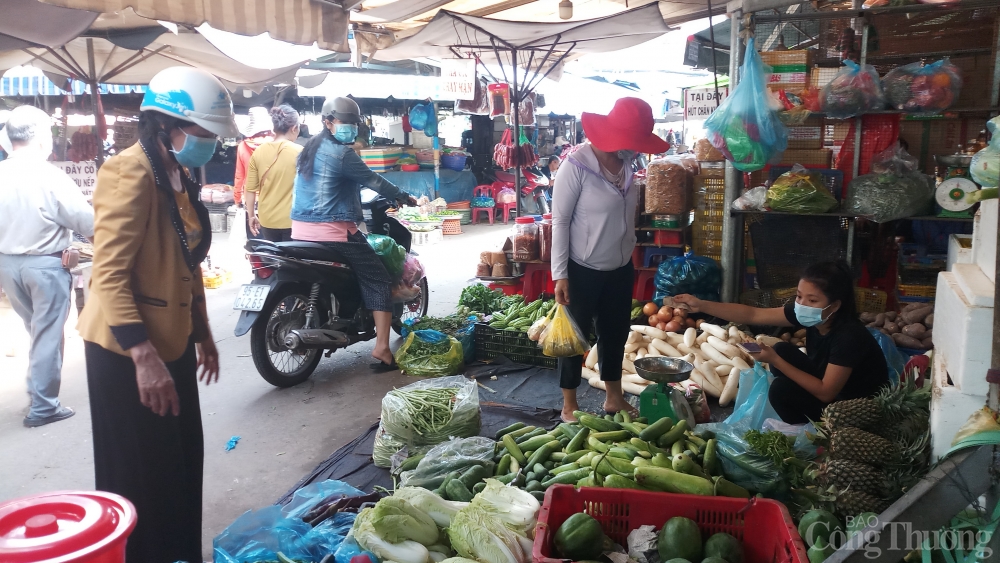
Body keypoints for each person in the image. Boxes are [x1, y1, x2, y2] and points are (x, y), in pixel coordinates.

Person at [77, 66, 231, 563]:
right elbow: (110, 273)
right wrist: (143, 356)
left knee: (181, 461)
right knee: (141, 474)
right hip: (128, 354)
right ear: (170, 126)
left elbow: (185, 263)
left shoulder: (179, 174)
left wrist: (203, 333)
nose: (211, 143)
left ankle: (179, 552)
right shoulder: (129, 171)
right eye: (206, 133)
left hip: (174, 341)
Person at [551, 97, 670, 422]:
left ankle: (613, 398)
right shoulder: (576, 167)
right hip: (581, 268)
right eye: (635, 141)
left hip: (619, 267)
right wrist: (560, 274)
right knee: (574, 338)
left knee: (615, 332)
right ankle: (569, 405)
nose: (637, 149)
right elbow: (559, 222)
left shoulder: (626, 165)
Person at [674, 261, 890, 424]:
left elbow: (827, 392)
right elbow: (752, 315)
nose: (802, 304)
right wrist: (700, 304)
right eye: (799, 296)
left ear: (834, 306)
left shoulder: (849, 336)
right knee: (783, 350)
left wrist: (774, 359)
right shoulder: (815, 315)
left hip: (855, 409)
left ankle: (814, 432)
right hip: (832, 389)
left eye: (812, 300)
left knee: (780, 389)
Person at [291, 96, 415, 369]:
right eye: (343, 122)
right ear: (327, 123)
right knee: (378, 278)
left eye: (352, 123)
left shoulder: (308, 149)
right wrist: (404, 196)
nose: (349, 127)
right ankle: (382, 348)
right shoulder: (342, 154)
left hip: (299, 231)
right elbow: (374, 180)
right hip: (334, 231)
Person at [0, 105, 94, 427]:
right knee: (47, 335)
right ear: (42, 137)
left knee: (36, 331)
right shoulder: (49, 175)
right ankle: (43, 407)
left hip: (8, 267)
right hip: (44, 266)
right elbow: (85, 220)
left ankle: (37, 391)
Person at [245, 105, 302, 242]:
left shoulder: (258, 152)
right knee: (293, 262)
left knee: (274, 260)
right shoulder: (301, 152)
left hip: (267, 220)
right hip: (294, 221)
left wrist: (251, 215)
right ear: (294, 128)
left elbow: (250, 189)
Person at [234, 106, 274, 238]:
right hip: (272, 197)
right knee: (274, 239)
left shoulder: (242, 146)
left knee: (255, 237)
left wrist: (237, 199)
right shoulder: (276, 145)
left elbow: (240, 176)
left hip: (251, 199)